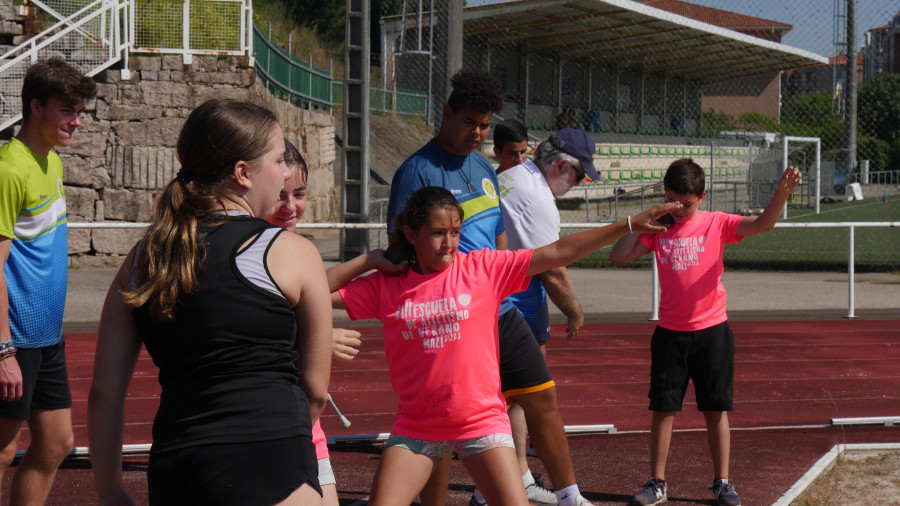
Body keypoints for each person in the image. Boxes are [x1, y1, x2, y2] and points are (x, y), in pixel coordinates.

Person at [331, 186, 680, 506]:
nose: (449, 244)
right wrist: (367, 261)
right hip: (417, 428)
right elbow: (306, 287)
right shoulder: (387, 286)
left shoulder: (483, 268)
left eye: (455, 233)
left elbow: (558, 251)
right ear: (411, 234)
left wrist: (628, 225)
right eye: (437, 233)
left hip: (481, 423)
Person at [88, 99, 334, 505]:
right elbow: (315, 389)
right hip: (270, 458)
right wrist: (279, 442)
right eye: (279, 160)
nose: (287, 171)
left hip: (177, 464)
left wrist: (110, 490)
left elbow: (104, 393)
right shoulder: (292, 251)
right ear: (243, 174)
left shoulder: (143, 257)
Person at [386, 69, 587, 506]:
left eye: (483, 125)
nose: (476, 133)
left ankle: (570, 496)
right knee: (439, 425)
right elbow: (399, 254)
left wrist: (503, 291)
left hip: (497, 311)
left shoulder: (484, 168)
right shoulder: (414, 173)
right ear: (446, 113)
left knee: (543, 398)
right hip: (448, 320)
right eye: (469, 122)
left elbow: (498, 238)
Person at [609, 158, 802, 506]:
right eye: (672, 199)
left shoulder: (717, 223)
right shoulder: (659, 229)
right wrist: (643, 223)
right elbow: (618, 257)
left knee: (715, 410)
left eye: (686, 201)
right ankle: (657, 482)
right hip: (670, 333)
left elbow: (761, 224)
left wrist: (781, 196)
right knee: (664, 409)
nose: (679, 208)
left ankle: (722, 482)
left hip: (712, 331)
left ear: (701, 196)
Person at [0, 58, 96, 504]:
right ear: (35, 107)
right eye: (66, 111)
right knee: (1, 451)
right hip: (14, 340)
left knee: (56, 443)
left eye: (79, 112)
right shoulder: (8, 169)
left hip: (47, 336)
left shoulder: (50, 160)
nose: (76, 122)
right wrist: (3, 350)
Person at [265, 138, 363, 506]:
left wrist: (369, 262)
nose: (290, 207)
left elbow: (314, 291)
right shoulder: (248, 251)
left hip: (307, 422)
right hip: (271, 424)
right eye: (280, 194)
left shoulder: (296, 247)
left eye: (300, 194)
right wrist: (315, 338)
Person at [498, 128, 597, 483]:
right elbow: (553, 271)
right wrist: (575, 311)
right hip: (511, 294)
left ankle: (517, 472)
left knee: (517, 391)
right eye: (578, 174)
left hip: (511, 287)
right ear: (558, 166)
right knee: (527, 390)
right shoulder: (538, 200)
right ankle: (514, 477)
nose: (578, 182)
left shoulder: (512, 175)